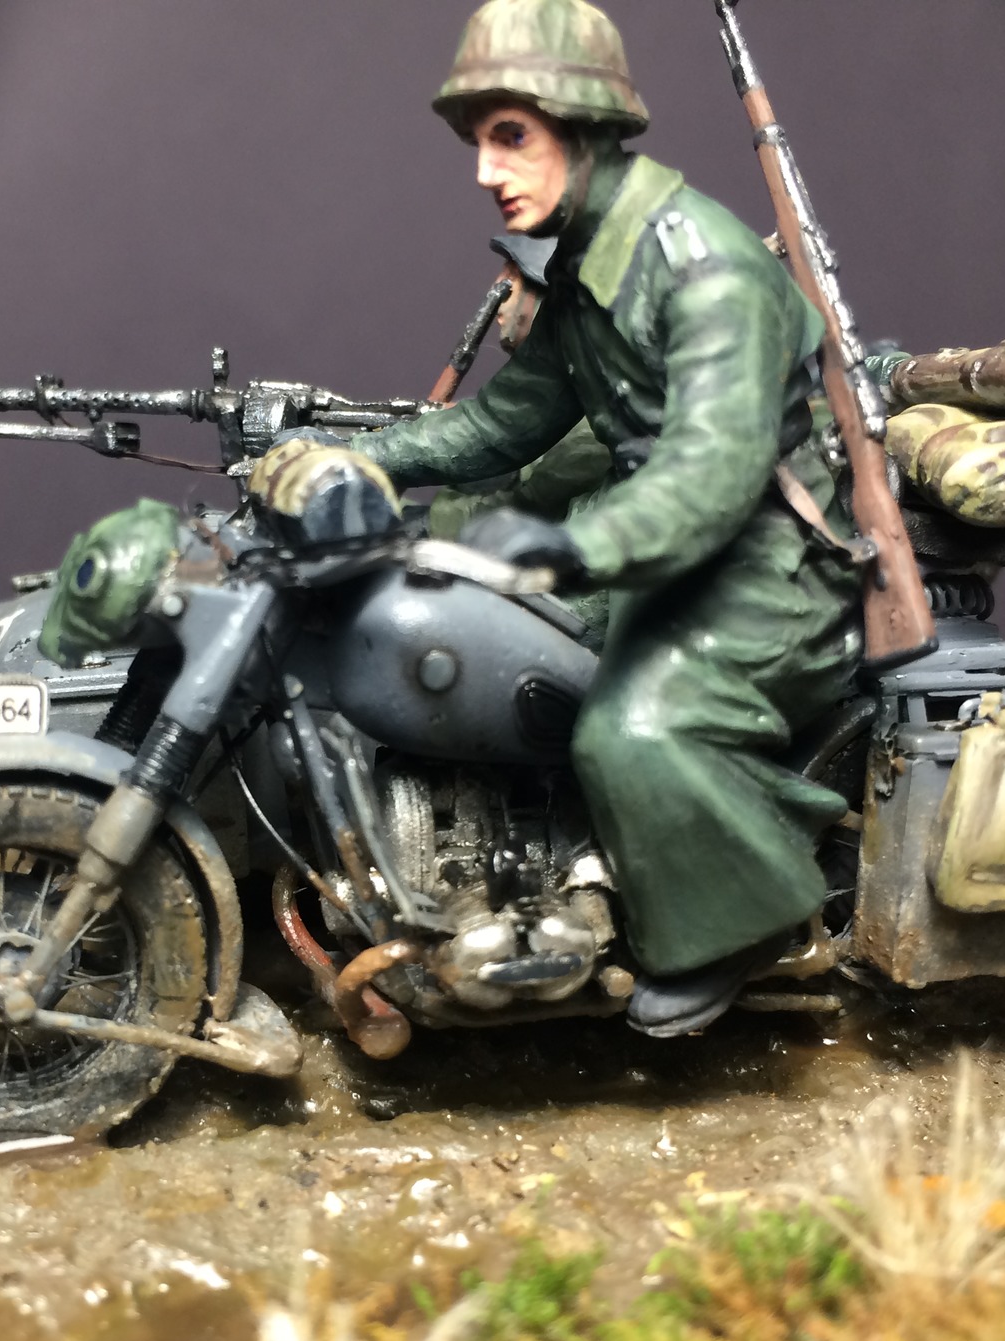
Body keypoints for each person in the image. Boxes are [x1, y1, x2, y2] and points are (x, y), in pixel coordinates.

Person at [347, 0, 864, 1036]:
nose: (486, 171)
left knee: (629, 728)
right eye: (480, 141)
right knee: (505, 661)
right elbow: (503, 424)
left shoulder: (706, 266)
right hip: (660, 550)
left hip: (766, 563)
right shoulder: (587, 263)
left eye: (511, 137)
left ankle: (743, 920)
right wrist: (356, 459)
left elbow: (713, 476)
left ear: (584, 127)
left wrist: (571, 545)